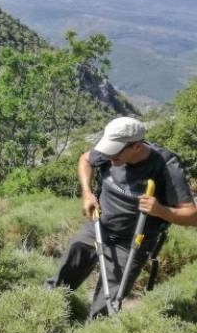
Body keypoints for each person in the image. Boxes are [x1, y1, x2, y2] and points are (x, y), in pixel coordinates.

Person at [45, 117, 197, 317]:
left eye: (115, 152)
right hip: (100, 225)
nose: (109, 157)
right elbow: (85, 159)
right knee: (65, 273)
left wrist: (160, 210)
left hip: (133, 241)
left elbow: (192, 216)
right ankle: (46, 313)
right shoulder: (110, 152)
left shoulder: (165, 166)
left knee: (107, 304)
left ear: (136, 146)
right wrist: (87, 193)